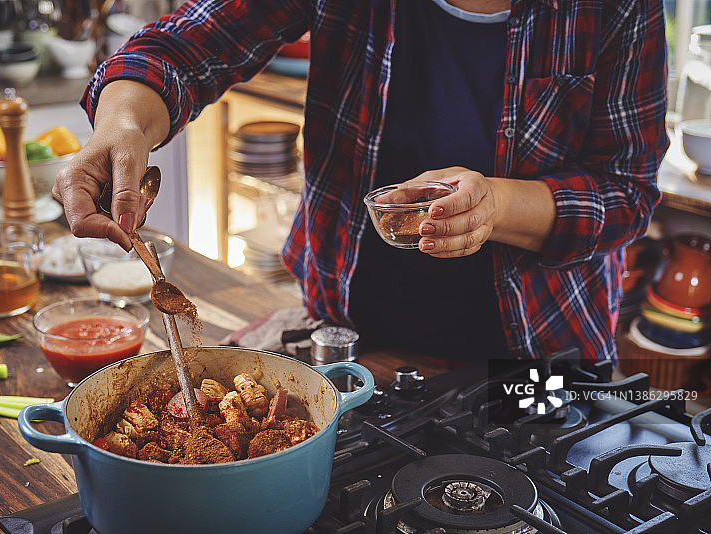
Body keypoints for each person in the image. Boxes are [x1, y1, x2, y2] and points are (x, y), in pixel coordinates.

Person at [53, 0, 668, 364]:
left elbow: (627, 189)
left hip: (543, 359)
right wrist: (122, 123)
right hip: (349, 339)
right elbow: (188, 43)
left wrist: (498, 205)